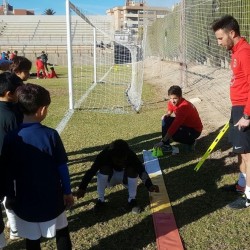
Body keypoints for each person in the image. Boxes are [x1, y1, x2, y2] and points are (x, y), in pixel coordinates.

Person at [1, 83, 74, 249]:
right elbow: (62, 167)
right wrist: (68, 192)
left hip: (24, 201)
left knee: (32, 240)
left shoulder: (11, 138)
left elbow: (7, 172)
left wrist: (11, 197)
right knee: (62, 232)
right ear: (42, 110)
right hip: (52, 198)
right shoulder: (51, 135)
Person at [212, 15, 250, 209]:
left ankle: (249, 197)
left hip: (245, 109)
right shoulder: (236, 52)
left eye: (220, 38)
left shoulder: (244, 52)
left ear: (232, 33)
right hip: (238, 107)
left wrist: (247, 115)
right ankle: (241, 185)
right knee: (240, 151)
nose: (219, 43)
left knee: (248, 154)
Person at [74, 139, 159, 214]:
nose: (121, 163)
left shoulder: (130, 154)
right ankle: (100, 200)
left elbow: (141, 170)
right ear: (111, 155)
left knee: (133, 169)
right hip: (110, 177)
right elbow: (92, 170)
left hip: (125, 177)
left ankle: (132, 200)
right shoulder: (105, 154)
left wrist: (149, 185)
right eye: (118, 161)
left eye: (123, 160)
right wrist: (82, 187)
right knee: (104, 168)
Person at [0, 72, 23, 248]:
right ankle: (15, 230)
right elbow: (18, 142)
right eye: (19, 90)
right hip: (9, 164)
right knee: (11, 196)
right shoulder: (11, 116)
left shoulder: (12, 109)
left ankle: (11, 224)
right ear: (9, 93)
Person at [154, 85, 203, 152]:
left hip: (194, 130)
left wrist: (162, 141)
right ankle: (166, 146)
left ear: (180, 97)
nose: (172, 101)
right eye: (170, 98)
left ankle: (191, 142)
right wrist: (168, 114)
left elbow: (175, 126)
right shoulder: (172, 102)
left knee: (174, 136)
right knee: (165, 119)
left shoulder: (184, 107)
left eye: (175, 98)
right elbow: (170, 107)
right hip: (184, 124)